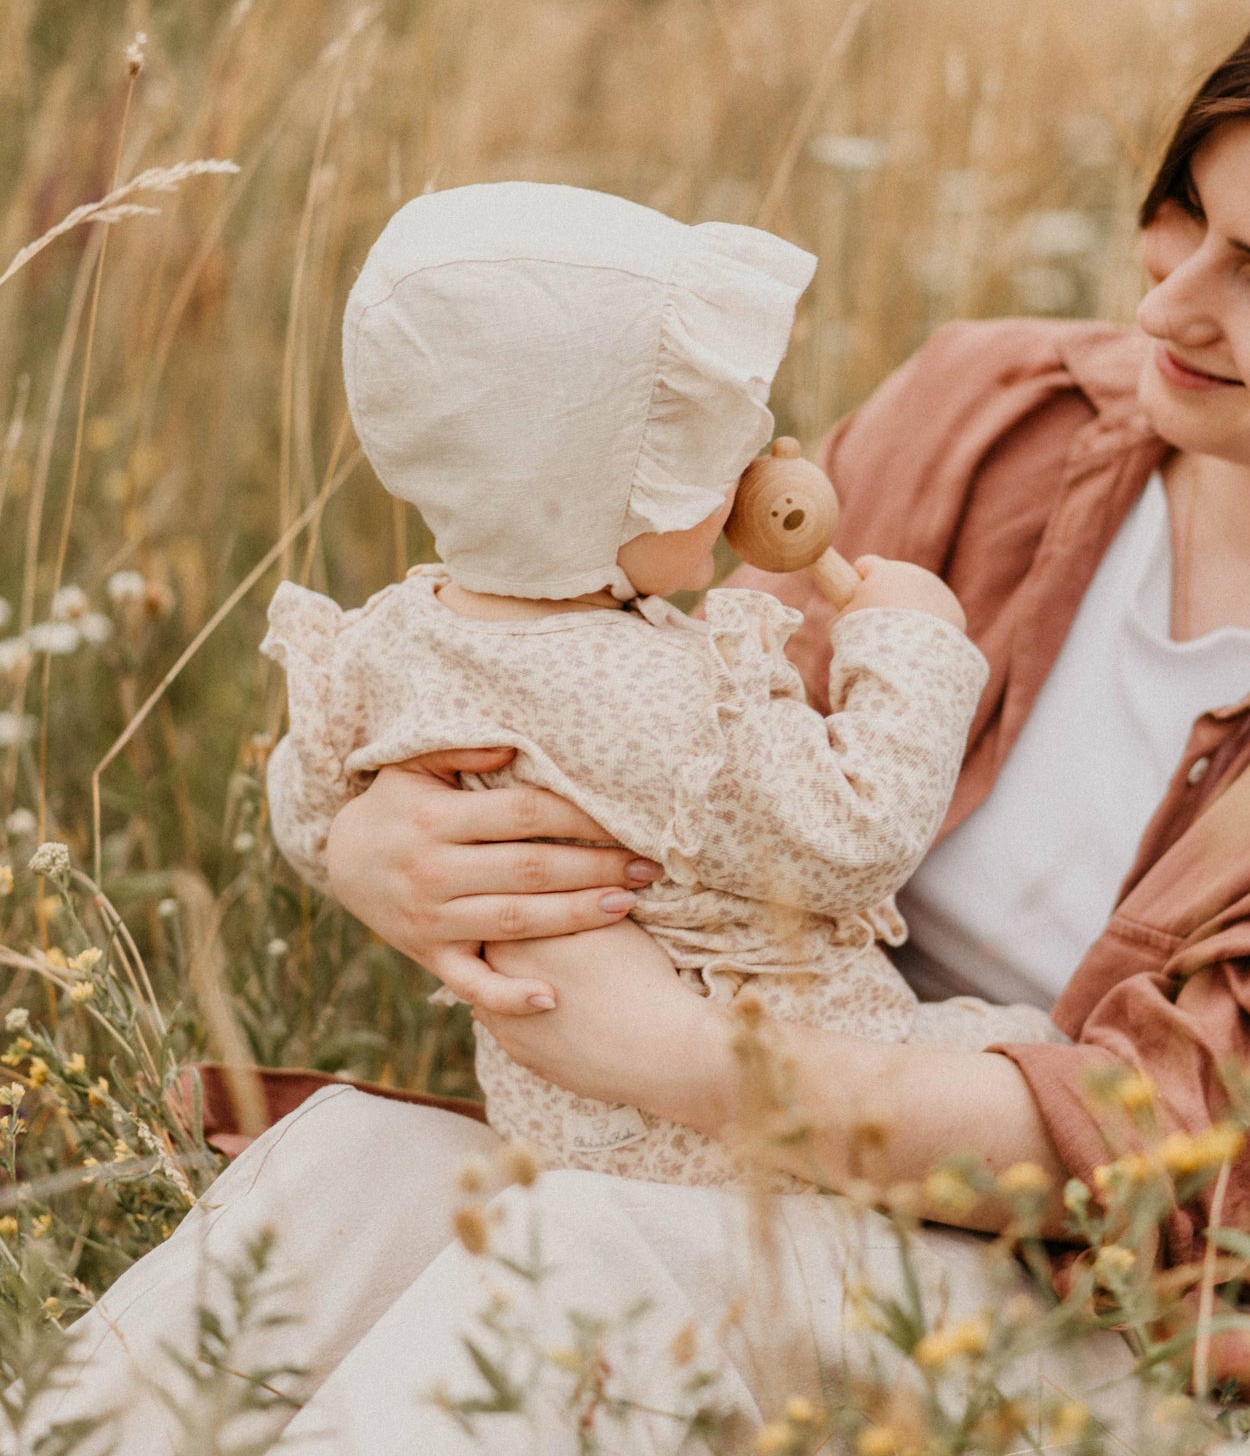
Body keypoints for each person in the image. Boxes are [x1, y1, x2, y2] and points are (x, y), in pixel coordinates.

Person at [42, 0, 1250, 1454]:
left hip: (1115, 1314)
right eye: (1182, 215)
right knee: (347, 1175)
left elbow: (1182, 1153)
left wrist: (680, 1064)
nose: (1170, 308)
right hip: (730, 1152)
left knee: (588, 1255)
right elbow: (633, 712)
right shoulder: (996, 409)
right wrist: (373, 837)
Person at [262, 180, 1056, 1188]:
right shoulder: (657, 704)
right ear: (611, 485)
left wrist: (351, 845)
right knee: (1046, 1053)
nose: (754, 467)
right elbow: (853, 838)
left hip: (565, 1113)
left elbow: (305, 799)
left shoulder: (396, 637)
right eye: (708, 447)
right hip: (742, 1126)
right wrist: (911, 643)